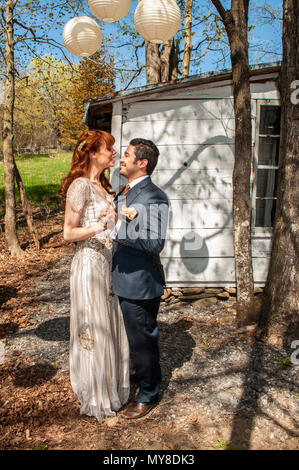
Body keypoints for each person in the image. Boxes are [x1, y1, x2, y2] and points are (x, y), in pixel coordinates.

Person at [59, 129, 130, 423]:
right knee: (95, 324)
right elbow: (67, 233)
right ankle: (95, 393)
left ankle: (110, 386)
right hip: (88, 263)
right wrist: (99, 228)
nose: (113, 153)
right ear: (92, 153)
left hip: (107, 263)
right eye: (108, 149)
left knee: (109, 322)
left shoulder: (103, 186)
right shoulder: (80, 186)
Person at [110, 138, 169, 419]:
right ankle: (141, 375)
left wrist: (115, 230)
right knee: (134, 339)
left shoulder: (154, 196)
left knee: (143, 340)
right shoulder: (125, 191)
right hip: (124, 278)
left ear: (142, 162)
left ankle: (148, 393)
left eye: (127, 155)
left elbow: (154, 243)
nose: (121, 159)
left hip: (141, 283)